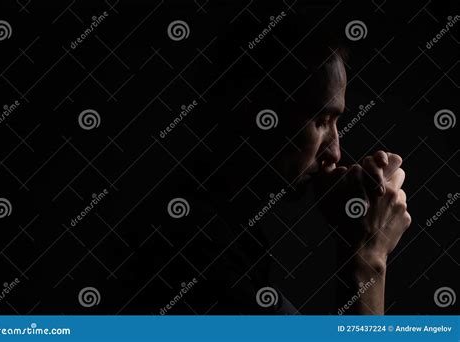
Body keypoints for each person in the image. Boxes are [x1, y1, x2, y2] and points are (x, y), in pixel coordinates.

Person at [133, 14, 411, 315]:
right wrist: (368, 256)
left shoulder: (231, 236)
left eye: (335, 121)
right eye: (319, 121)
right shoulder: (195, 253)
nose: (334, 153)